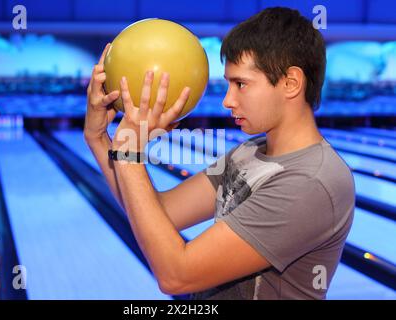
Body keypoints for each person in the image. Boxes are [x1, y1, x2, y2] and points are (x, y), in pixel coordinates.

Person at [84, 7, 355, 300]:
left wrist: (130, 155)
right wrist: (99, 139)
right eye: (228, 84)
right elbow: (160, 213)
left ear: (291, 83)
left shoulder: (311, 183)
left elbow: (177, 275)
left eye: (241, 84)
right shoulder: (249, 153)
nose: (227, 100)